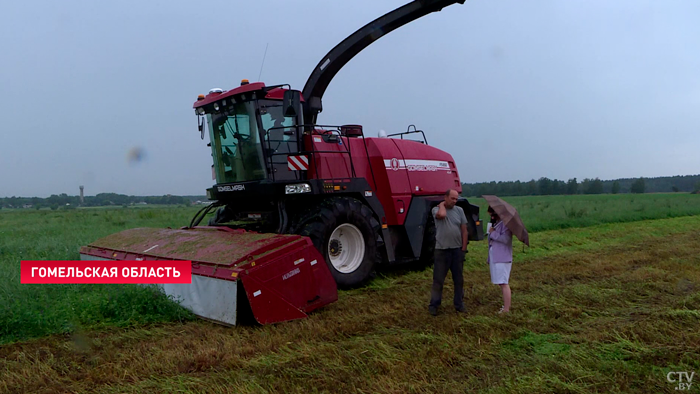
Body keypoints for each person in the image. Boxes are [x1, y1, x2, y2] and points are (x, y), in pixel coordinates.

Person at [428, 189, 469, 316]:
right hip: (442, 251)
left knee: (458, 279)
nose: (455, 201)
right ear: (445, 197)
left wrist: (463, 249)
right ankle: (434, 305)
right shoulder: (436, 210)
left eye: (456, 199)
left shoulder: (459, 211)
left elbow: (464, 230)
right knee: (438, 280)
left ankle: (459, 304)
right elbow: (442, 215)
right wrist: (441, 205)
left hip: (456, 250)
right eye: (452, 198)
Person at [487, 206, 513, 314]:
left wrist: (493, 233)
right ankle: (505, 306)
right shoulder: (497, 223)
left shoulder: (506, 224)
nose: (492, 217)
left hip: (502, 257)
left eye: (493, 214)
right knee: (500, 282)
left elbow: (506, 239)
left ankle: (506, 309)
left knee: (503, 282)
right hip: (496, 257)